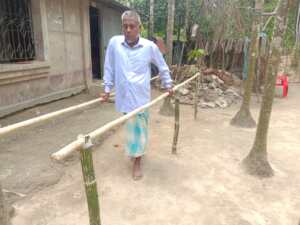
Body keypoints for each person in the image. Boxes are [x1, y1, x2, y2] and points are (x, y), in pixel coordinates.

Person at [102, 10, 173, 180]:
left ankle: (137, 162)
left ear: (139, 28)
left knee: (139, 128)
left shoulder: (149, 47)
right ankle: (136, 151)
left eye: (132, 26)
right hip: (124, 95)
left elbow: (162, 66)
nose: (128, 30)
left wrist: (168, 84)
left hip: (141, 97)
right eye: (125, 26)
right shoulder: (114, 43)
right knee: (131, 126)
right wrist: (106, 89)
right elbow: (109, 67)